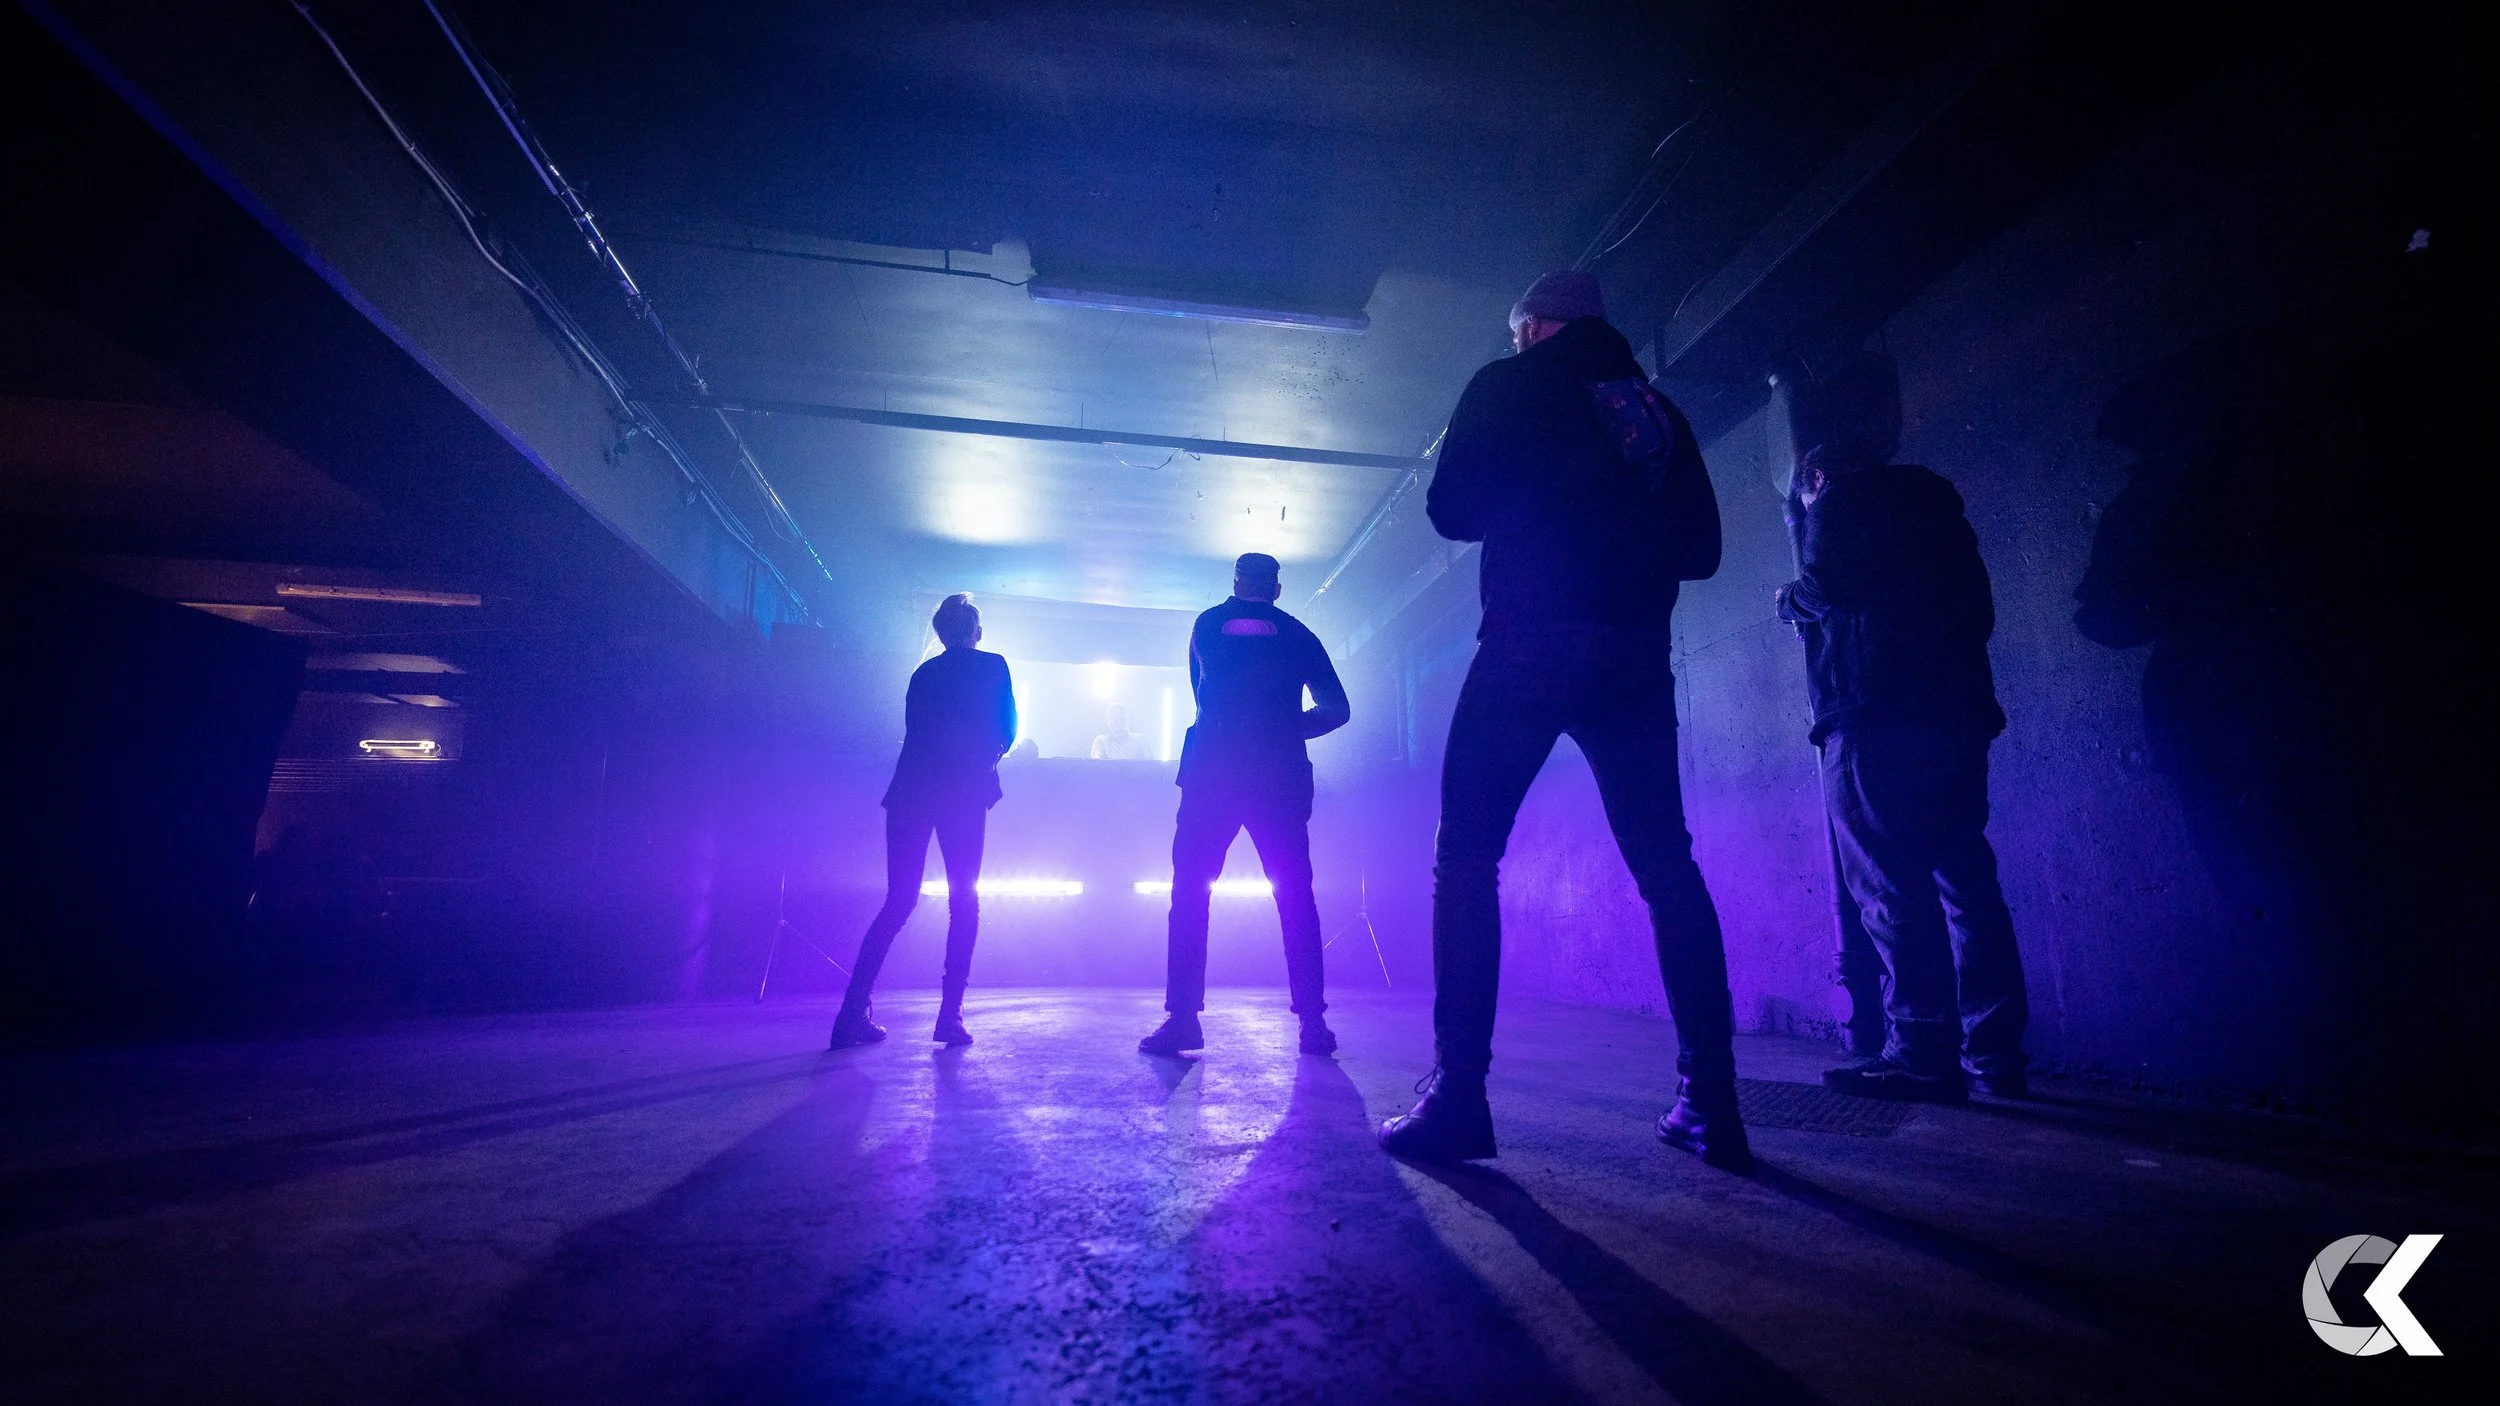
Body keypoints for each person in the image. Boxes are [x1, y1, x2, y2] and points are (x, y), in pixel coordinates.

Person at [1377, 270, 1751, 1171]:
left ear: (1536, 328)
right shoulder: (1652, 407)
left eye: (1519, 334)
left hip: (1528, 646)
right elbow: (1702, 551)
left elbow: (1451, 510)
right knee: (1667, 865)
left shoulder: (1507, 384)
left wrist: (1542, 504)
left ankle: (1458, 1096)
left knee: (1466, 855)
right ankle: (1713, 1106)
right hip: (1632, 655)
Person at [1774, 361, 2029, 1102]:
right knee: (1966, 884)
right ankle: (1996, 1055)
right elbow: (1977, 614)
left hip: (1872, 718)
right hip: (1954, 716)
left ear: (1816, 476)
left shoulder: (1837, 502)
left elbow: (1829, 586)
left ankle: (1920, 1051)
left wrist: (1792, 602)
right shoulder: (1937, 512)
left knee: (1889, 889)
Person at [1137, 553, 1350, 1058]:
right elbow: (1337, 709)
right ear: (1277, 590)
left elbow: (1202, 693)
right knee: (1295, 894)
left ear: (1235, 583)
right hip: (1279, 778)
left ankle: (1184, 1019)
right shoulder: (1299, 634)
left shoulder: (1207, 626)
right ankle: (1312, 1024)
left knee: (1191, 893)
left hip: (1213, 772)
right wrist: (1285, 728)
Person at [829, 594, 1017, 1050]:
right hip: (964, 795)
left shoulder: (923, 673)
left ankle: (851, 1012)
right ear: (976, 630)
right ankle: (949, 1017)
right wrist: (985, 759)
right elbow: (1007, 728)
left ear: (939, 632)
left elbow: (916, 730)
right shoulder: (993, 666)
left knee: (898, 902)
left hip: (911, 794)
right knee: (964, 902)